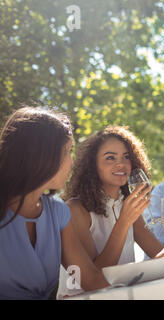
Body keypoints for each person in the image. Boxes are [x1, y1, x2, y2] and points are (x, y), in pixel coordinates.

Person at [57, 126, 164, 298]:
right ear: (92, 165)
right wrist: (124, 222)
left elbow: (156, 253)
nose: (121, 164)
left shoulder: (124, 203)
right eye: (110, 158)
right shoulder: (75, 210)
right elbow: (95, 280)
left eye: (126, 157)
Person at [0, 107, 109, 300]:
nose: (72, 162)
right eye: (67, 151)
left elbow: (90, 279)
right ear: (42, 155)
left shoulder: (57, 211)